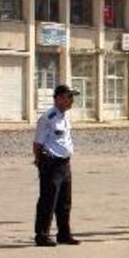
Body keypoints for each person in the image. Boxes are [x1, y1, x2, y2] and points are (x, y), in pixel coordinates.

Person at [33, 84, 80, 247]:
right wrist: (40, 162)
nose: (72, 100)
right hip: (51, 163)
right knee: (48, 200)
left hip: (65, 163)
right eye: (69, 97)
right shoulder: (48, 118)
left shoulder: (65, 116)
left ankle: (64, 233)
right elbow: (37, 143)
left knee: (65, 201)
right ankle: (42, 234)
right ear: (59, 98)